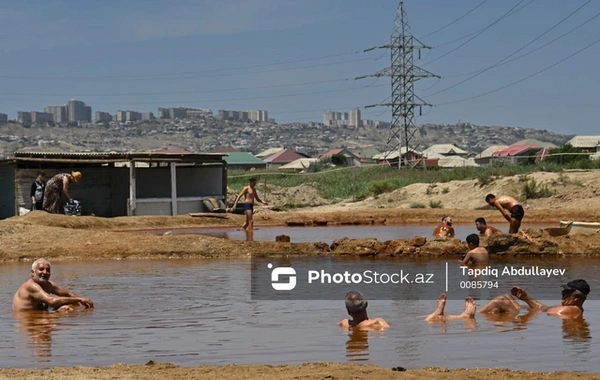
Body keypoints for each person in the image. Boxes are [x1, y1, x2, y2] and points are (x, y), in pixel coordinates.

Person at [12, 258, 94, 312]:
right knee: (53, 318)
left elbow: (68, 293)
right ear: (32, 273)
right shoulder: (31, 286)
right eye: (41, 269)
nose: (45, 272)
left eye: (47, 270)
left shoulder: (48, 284)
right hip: (26, 319)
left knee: (66, 307)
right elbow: (51, 301)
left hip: (39, 313)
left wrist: (81, 306)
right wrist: (80, 299)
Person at [478, 279, 590, 318]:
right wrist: (526, 298)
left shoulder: (567, 310)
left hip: (534, 315)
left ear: (576, 299)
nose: (562, 293)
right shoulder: (573, 309)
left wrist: (525, 315)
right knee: (506, 297)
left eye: (566, 292)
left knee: (502, 299)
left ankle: (471, 316)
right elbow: (544, 309)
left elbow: (542, 312)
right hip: (534, 312)